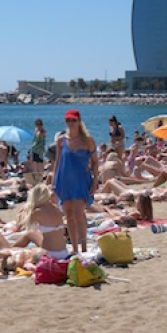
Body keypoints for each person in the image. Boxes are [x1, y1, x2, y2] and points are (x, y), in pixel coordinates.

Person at [53, 109, 98, 255]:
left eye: (73, 120)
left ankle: (84, 247)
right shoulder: (61, 140)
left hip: (81, 180)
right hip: (64, 180)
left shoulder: (88, 140)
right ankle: (74, 248)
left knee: (79, 213)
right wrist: (54, 181)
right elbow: (57, 162)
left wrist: (95, 180)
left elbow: (95, 162)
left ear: (79, 121)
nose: (71, 123)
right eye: (68, 121)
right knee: (69, 215)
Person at [18, 184, 67, 260]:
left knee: (28, 235)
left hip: (50, 254)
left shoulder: (37, 212)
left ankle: (11, 248)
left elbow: (20, 225)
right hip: (64, 252)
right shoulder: (56, 208)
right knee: (32, 233)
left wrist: (25, 210)